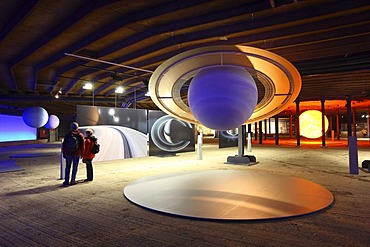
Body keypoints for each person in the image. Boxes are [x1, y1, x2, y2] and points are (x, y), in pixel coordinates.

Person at [62, 122, 84, 186]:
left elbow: (64, 144)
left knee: (67, 167)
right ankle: (73, 180)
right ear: (77, 127)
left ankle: (66, 181)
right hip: (76, 154)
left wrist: (64, 153)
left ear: (71, 127)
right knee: (75, 167)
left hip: (68, 153)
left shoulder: (68, 134)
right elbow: (82, 146)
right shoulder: (80, 135)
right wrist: (82, 154)